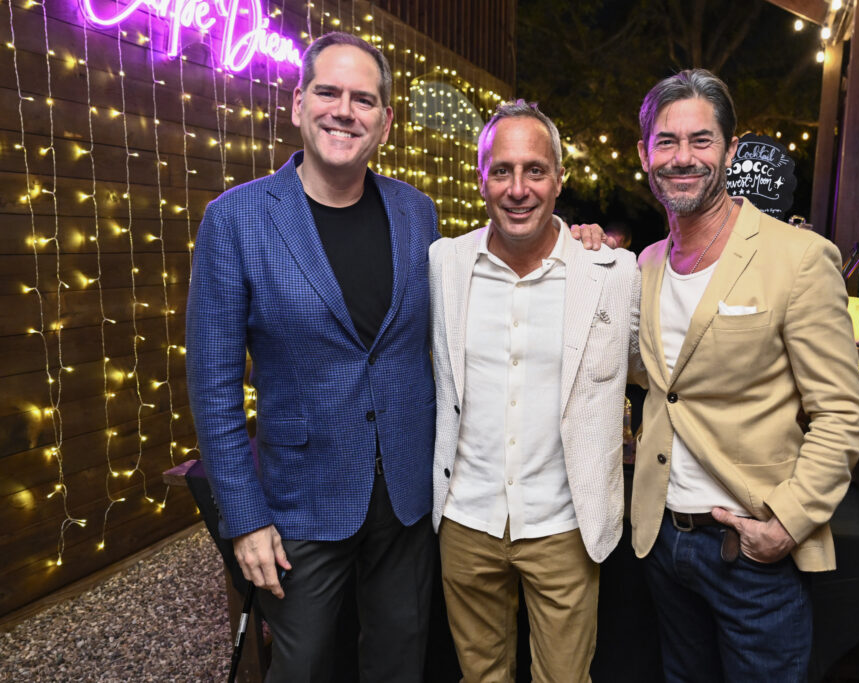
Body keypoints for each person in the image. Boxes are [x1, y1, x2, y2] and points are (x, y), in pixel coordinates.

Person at [185, 32, 438, 681]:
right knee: (302, 670)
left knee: (400, 663)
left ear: (384, 120)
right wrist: (243, 521)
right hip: (301, 503)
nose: (344, 110)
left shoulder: (419, 213)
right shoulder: (235, 220)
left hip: (406, 500)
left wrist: (567, 236)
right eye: (328, 92)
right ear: (298, 102)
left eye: (364, 99)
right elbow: (213, 387)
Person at [629, 69, 859, 681]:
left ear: (731, 151)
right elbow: (656, 380)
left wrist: (786, 522)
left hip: (750, 551)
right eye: (667, 141)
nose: (683, 158)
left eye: (701, 140)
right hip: (662, 541)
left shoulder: (798, 258)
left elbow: (843, 413)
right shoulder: (646, 264)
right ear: (645, 154)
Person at [428, 101, 643, 683]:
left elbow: (658, 372)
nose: (518, 188)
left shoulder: (611, 273)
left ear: (559, 179)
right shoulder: (443, 264)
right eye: (502, 170)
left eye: (535, 170)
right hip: (466, 520)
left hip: (564, 525)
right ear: (481, 177)